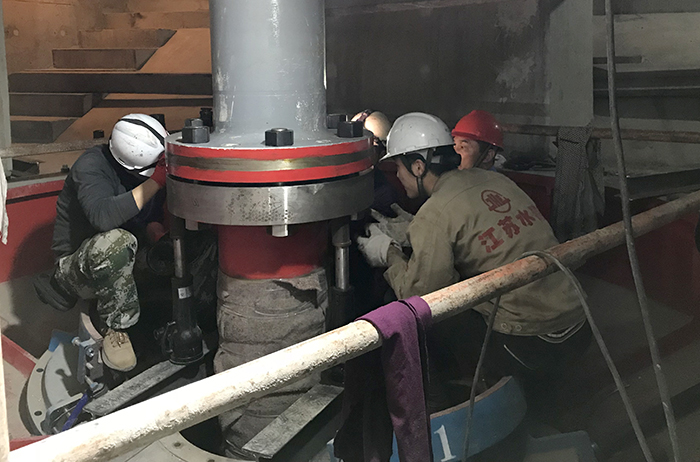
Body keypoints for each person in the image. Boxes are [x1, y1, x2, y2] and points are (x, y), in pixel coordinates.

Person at [358, 112, 589, 401]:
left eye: (398, 167)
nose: (398, 176)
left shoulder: (435, 213)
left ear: (418, 166)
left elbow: (419, 294)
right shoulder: (497, 181)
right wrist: (412, 228)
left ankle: (445, 397)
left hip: (531, 342)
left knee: (409, 313)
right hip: (579, 321)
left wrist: (389, 254)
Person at [35, 114, 169, 372]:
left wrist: (156, 231)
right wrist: (156, 181)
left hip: (128, 251)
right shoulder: (91, 166)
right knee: (116, 242)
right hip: (79, 265)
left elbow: (147, 212)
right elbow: (103, 218)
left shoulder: (140, 169)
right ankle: (116, 327)